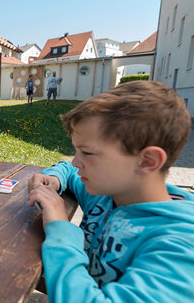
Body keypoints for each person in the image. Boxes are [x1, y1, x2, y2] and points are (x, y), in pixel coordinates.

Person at [27, 80, 194, 302]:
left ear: (147, 161)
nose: (76, 161)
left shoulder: (178, 248)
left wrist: (61, 231)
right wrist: (54, 179)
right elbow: (68, 169)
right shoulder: (108, 192)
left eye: (87, 152)